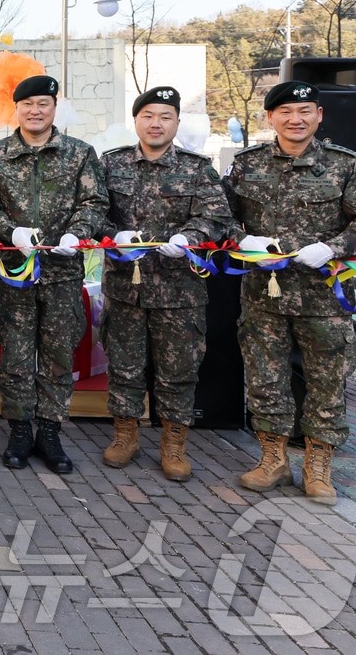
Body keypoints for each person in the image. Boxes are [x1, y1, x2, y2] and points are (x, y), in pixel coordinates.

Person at [224, 80, 356, 503]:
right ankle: (273, 461)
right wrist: (243, 240)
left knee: (327, 384)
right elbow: (217, 215)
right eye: (285, 113)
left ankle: (318, 468)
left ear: (319, 115)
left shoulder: (344, 166)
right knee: (265, 381)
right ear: (271, 118)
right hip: (265, 297)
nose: (295, 120)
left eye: (304, 112)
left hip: (324, 299)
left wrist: (332, 248)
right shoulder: (247, 165)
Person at [0, 75, 108, 474]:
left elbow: (95, 200)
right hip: (15, 272)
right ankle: (19, 431)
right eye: (27, 104)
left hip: (63, 273)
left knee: (57, 354)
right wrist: (8, 231)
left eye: (43, 104)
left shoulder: (79, 153)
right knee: (14, 356)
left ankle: (49, 432)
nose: (35, 111)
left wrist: (78, 232)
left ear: (54, 108)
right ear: (15, 109)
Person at [99, 87, 233, 481]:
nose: (156, 123)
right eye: (148, 116)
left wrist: (189, 238)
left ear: (176, 122)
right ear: (136, 120)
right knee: (124, 366)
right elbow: (91, 211)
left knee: (179, 370)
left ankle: (174, 444)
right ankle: (126, 435)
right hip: (126, 287)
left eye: (165, 117)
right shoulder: (111, 164)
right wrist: (112, 235)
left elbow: (217, 218)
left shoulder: (196, 168)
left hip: (180, 290)